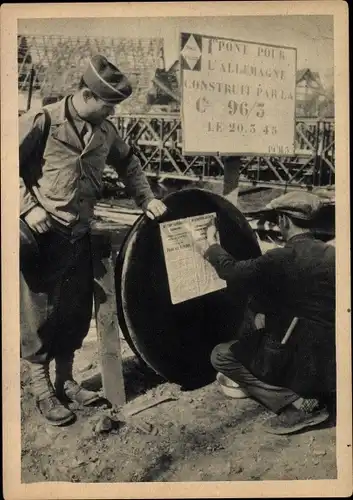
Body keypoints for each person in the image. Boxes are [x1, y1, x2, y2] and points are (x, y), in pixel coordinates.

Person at [19, 54, 167, 426]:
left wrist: (147, 199)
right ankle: (40, 388)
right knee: (39, 315)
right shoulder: (44, 121)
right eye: (109, 105)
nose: (113, 113)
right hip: (43, 233)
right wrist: (26, 208)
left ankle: (66, 381)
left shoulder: (105, 132)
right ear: (87, 95)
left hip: (79, 234)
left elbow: (129, 163)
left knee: (73, 311)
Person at [188, 191, 336, 435]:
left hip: (302, 364)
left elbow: (232, 272)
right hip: (333, 362)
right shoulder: (333, 254)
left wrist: (209, 246)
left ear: (284, 221)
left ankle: (297, 407)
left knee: (221, 355)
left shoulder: (279, 258)